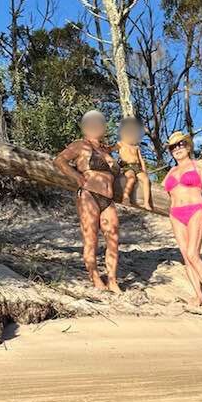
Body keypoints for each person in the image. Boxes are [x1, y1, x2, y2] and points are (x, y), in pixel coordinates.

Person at [54, 110, 122, 294]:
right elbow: (59, 161)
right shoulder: (80, 145)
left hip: (107, 199)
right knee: (91, 238)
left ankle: (113, 280)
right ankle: (95, 277)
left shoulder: (106, 149)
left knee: (113, 238)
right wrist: (76, 175)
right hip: (88, 194)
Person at [164, 130, 202, 308]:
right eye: (173, 146)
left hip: (195, 209)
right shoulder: (171, 170)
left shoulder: (198, 164)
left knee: (193, 253)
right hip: (175, 214)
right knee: (186, 256)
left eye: (180, 144)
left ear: (188, 146)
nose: (177, 148)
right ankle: (198, 294)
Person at [116, 116, 152, 210]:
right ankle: (125, 197)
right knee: (131, 178)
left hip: (137, 167)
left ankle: (146, 203)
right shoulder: (120, 144)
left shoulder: (136, 147)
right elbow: (110, 148)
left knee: (146, 180)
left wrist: (144, 170)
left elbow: (141, 160)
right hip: (127, 166)